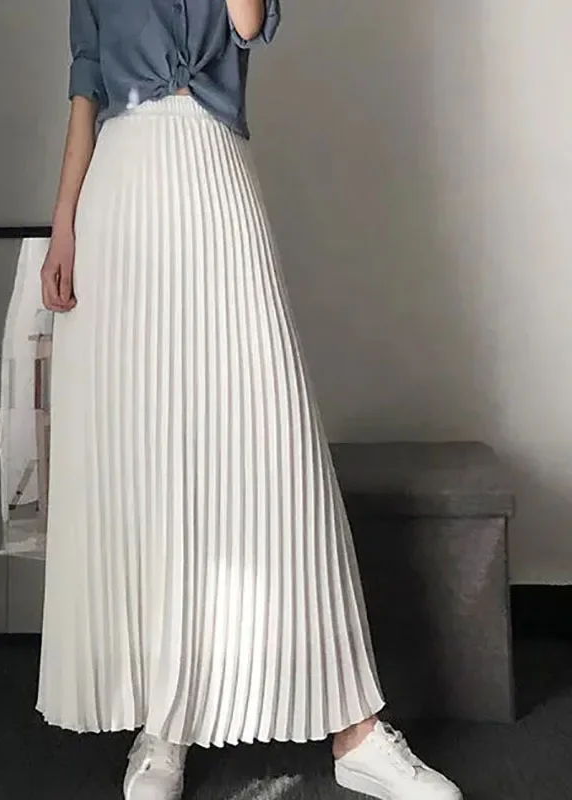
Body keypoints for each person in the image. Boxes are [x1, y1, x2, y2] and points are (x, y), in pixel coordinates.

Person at [35, 2, 462, 799]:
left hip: (212, 166)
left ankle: (357, 731)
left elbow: (245, 20)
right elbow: (86, 82)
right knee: (151, 455)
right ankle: (164, 725)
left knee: (276, 446)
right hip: (119, 193)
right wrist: (63, 222)